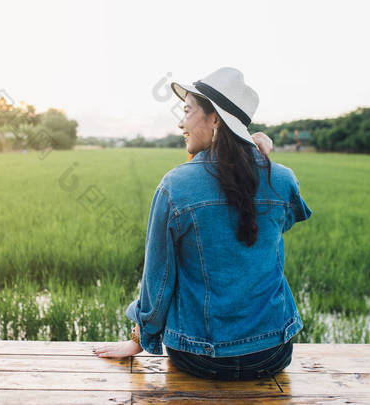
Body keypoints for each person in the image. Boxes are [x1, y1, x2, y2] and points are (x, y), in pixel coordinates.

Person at [92, 67, 312, 381]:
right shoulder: (281, 178)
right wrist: (256, 152)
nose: (181, 123)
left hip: (199, 356)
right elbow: (278, 224)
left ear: (215, 120)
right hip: (272, 352)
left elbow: (159, 277)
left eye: (186, 111)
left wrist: (137, 340)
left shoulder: (175, 187)